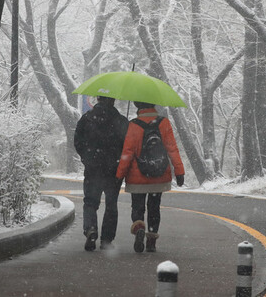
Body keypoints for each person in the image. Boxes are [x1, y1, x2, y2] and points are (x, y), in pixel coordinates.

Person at [115, 101, 185, 253]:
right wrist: (179, 171)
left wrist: (119, 175)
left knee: (138, 207)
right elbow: (172, 149)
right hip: (159, 174)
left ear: (137, 106)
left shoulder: (134, 125)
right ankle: (151, 240)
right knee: (154, 207)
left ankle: (139, 227)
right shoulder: (164, 123)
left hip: (137, 175)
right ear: (153, 105)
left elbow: (127, 153)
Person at [73, 96, 128, 251]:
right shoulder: (121, 121)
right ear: (114, 100)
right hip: (114, 170)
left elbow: (77, 140)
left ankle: (91, 229)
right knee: (111, 204)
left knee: (90, 202)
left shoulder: (87, 118)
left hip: (93, 168)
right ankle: (107, 240)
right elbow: (128, 146)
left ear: (98, 99)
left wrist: (86, 157)